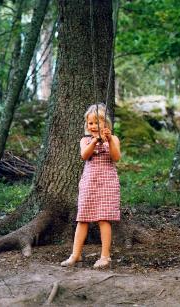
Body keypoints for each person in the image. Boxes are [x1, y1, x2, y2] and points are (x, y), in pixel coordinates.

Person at [61, 103, 122, 269]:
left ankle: (105, 256)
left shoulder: (113, 139)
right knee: (83, 218)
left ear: (106, 124)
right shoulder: (85, 140)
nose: (93, 126)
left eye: (97, 122)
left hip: (107, 182)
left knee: (104, 219)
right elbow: (84, 155)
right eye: (90, 123)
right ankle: (75, 254)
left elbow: (116, 157)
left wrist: (108, 139)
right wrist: (95, 140)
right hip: (89, 182)